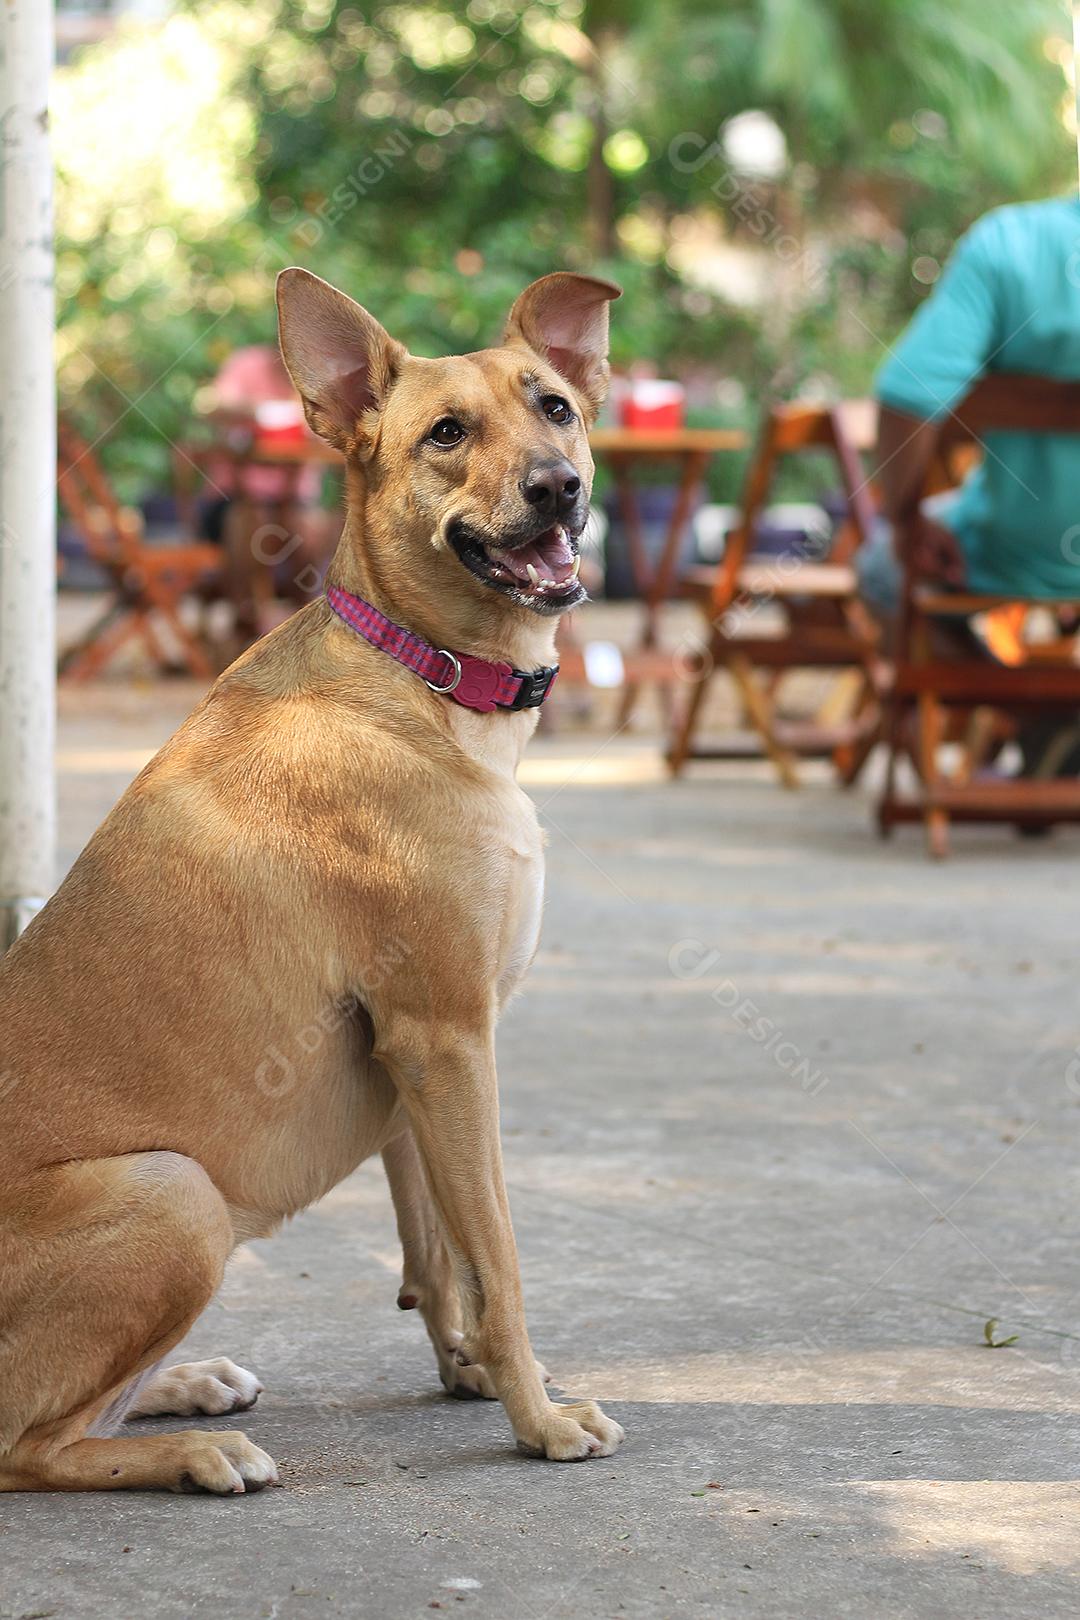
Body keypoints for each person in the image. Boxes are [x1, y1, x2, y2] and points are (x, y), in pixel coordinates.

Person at [858, 195, 1080, 618]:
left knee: (881, 566)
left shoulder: (1011, 242)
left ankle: (979, 666)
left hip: (1007, 556)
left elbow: (907, 394)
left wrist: (906, 523)